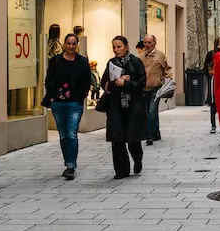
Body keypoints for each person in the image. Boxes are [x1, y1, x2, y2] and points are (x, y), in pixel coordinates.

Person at [43, 33, 93, 180]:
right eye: (68, 44)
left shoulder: (82, 61)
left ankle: (71, 165)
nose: (71, 46)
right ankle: (67, 161)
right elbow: (49, 79)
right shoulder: (55, 61)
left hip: (74, 103)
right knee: (63, 134)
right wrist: (52, 96)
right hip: (58, 102)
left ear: (77, 44)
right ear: (65, 44)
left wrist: (81, 96)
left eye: (73, 44)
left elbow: (86, 81)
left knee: (71, 133)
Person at [101, 36, 147, 178]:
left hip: (132, 106)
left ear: (126, 47)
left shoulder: (136, 62)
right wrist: (116, 83)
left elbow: (142, 84)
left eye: (119, 47)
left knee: (133, 139)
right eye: (114, 47)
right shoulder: (111, 63)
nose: (116, 50)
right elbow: (104, 83)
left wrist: (127, 83)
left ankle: (137, 159)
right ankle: (121, 170)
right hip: (116, 106)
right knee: (117, 138)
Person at [138, 34, 171, 146]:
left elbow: (167, 69)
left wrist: (168, 82)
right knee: (148, 112)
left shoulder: (160, 55)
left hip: (156, 88)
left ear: (154, 43)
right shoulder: (141, 56)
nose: (147, 45)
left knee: (152, 111)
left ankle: (149, 136)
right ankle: (156, 133)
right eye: (145, 42)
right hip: (144, 88)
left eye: (149, 42)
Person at [204, 42, 220, 134]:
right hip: (213, 79)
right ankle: (213, 125)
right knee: (213, 103)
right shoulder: (211, 54)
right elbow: (206, 65)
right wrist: (210, 74)